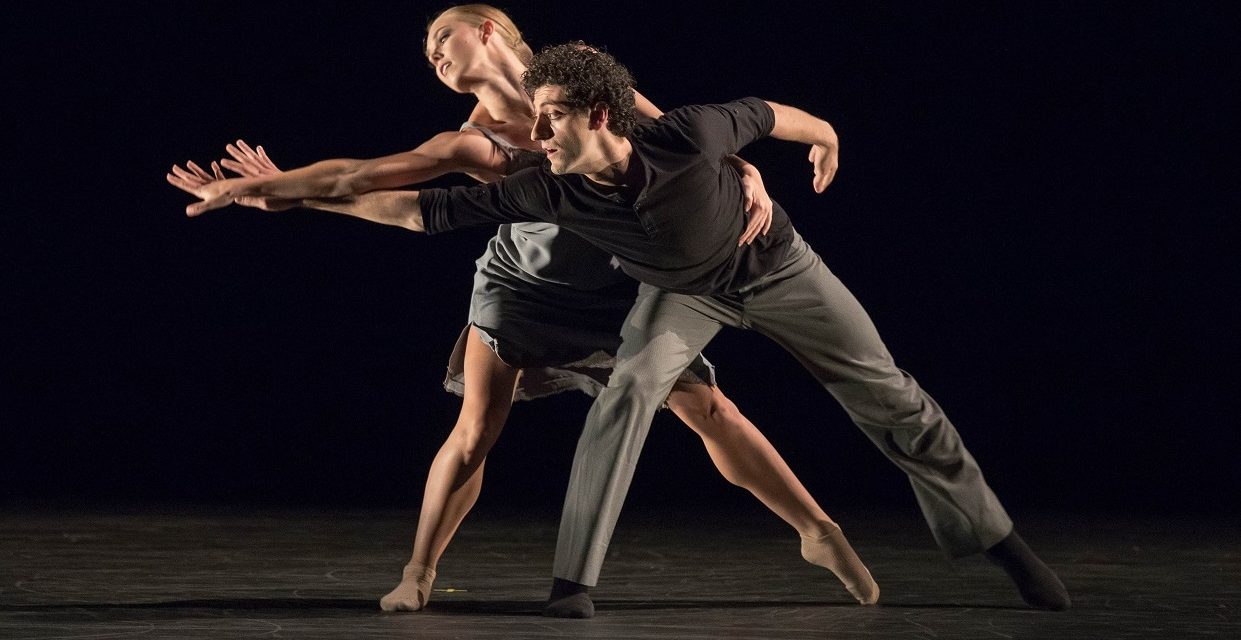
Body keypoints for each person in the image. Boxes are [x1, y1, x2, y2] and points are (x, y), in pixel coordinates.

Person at [170, 41, 1071, 617]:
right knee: (624, 393)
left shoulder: (671, 124)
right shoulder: (527, 174)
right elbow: (396, 198)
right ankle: (573, 586)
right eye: (426, 50)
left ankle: (993, 541)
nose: (435, 54)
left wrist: (818, 139)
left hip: (774, 269)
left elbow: (764, 115)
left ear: (589, 111)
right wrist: (260, 190)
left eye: (447, 37)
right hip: (661, 293)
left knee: (887, 399)